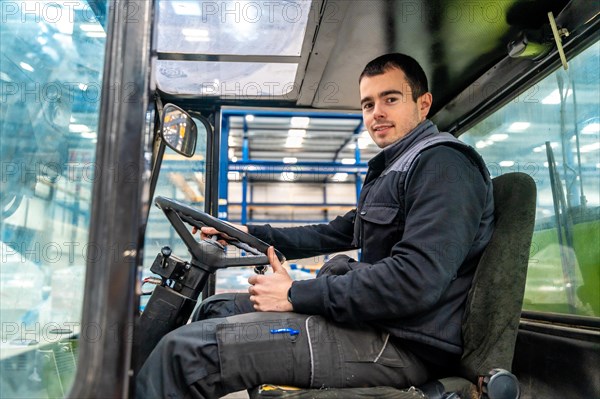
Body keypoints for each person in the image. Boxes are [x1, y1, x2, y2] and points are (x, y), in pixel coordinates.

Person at [135, 53, 495, 399]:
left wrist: (293, 294)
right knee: (215, 308)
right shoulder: (397, 170)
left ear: (423, 103)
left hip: (404, 344)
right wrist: (244, 232)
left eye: (391, 99)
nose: (377, 113)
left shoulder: (444, 166)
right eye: (368, 104)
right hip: (375, 324)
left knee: (184, 354)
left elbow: (414, 281)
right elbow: (328, 234)